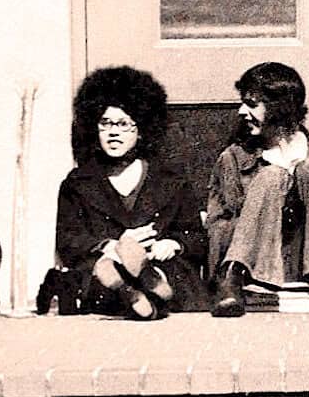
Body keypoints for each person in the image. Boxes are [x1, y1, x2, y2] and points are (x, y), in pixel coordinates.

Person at [206, 62, 309, 317]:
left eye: (251, 103)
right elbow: (217, 229)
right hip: (253, 282)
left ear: (279, 106)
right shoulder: (233, 159)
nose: (241, 111)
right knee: (270, 176)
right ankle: (232, 276)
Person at [53, 66, 208, 320]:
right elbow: (69, 239)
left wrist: (173, 244)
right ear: (94, 128)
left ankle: (148, 284)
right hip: (105, 264)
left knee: (169, 272)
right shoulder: (78, 183)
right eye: (105, 123)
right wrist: (110, 245)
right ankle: (134, 290)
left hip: (160, 262)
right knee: (102, 271)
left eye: (123, 124)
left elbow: (196, 238)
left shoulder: (171, 180)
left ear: (142, 128)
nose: (113, 132)